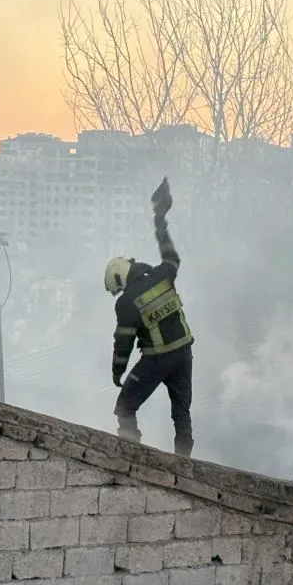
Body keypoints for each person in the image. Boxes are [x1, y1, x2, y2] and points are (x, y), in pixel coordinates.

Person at [103, 177, 194, 458]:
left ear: (120, 282)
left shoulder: (127, 302)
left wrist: (118, 373)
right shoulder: (162, 274)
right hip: (183, 353)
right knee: (181, 411)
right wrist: (159, 221)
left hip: (156, 359)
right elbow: (170, 253)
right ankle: (184, 461)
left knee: (125, 407)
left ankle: (131, 454)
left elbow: (123, 344)